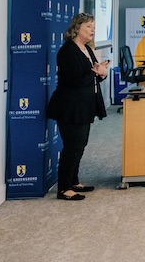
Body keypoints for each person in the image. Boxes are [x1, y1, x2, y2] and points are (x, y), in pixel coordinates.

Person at [45, 13, 108, 201]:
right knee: (72, 146)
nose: (92, 30)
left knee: (80, 144)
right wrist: (95, 72)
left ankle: (73, 180)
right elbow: (74, 80)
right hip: (70, 106)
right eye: (89, 26)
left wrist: (101, 72)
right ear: (77, 27)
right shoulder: (67, 51)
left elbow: (91, 75)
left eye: (94, 27)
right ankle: (64, 188)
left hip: (85, 105)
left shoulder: (86, 49)